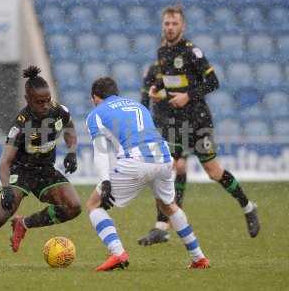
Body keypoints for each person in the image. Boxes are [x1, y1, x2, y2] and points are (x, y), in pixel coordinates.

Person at [137, 5, 260, 246]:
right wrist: (157, 92)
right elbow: (172, 83)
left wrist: (188, 96)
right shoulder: (162, 51)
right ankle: (162, 226)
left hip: (198, 121)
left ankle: (248, 206)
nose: (170, 27)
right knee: (170, 168)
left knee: (214, 172)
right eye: (167, 24)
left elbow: (213, 82)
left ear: (182, 26)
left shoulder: (192, 51)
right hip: (176, 123)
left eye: (174, 24)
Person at [0, 66, 81, 270]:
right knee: (2, 214)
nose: (45, 105)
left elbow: (70, 127)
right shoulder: (21, 125)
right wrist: (6, 189)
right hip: (21, 172)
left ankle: (24, 223)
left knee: (73, 207)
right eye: (39, 102)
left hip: (46, 171)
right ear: (27, 99)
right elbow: (4, 163)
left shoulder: (59, 111)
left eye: (47, 100)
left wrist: (72, 151)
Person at [85, 76, 209, 271]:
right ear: (115, 93)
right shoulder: (137, 106)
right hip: (163, 158)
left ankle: (118, 253)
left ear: (94, 97)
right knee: (168, 206)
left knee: (94, 204)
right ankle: (199, 258)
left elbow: (100, 151)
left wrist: (105, 181)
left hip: (135, 161)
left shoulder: (96, 114)